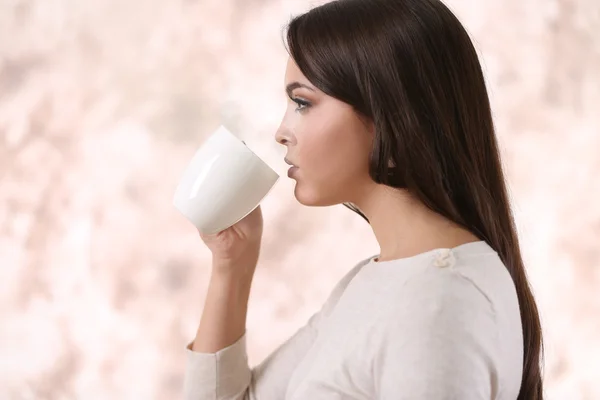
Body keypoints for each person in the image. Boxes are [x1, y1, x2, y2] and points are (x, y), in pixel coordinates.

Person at [182, 0, 544, 398]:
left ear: (390, 114)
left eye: (302, 103)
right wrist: (232, 262)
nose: (281, 132)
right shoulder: (379, 280)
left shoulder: (437, 303)